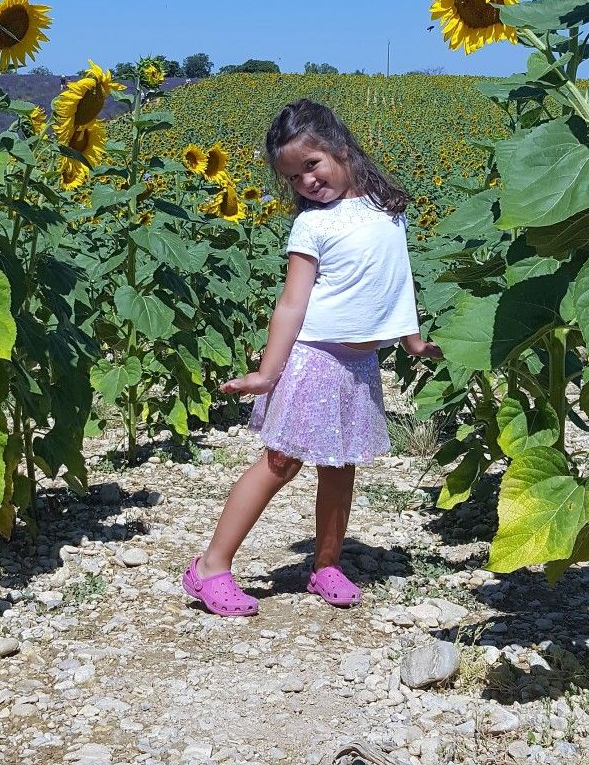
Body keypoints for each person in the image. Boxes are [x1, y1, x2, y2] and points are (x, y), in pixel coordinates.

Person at [182, 99, 442, 618]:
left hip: (359, 365)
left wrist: (412, 341)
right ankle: (210, 566)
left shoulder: (388, 210)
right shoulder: (312, 227)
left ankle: (326, 565)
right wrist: (266, 373)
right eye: (293, 176)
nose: (306, 182)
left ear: (341, 148)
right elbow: (292, 303)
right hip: (314, 359)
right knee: (281, 462)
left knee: (341, 466)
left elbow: (397, 282)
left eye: (311, 165)